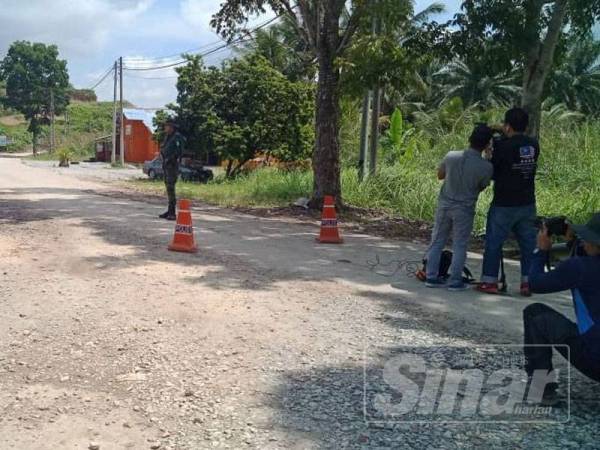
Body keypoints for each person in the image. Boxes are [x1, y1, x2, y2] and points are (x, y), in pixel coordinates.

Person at [522, 213, 600, 403]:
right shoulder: (582, 264)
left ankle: (541, 389)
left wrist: (541, 250)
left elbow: (535, 283)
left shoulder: (580, 268)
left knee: (534, 313)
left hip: (595, 359)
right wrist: (573, 244)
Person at [477, 108, 540, 296]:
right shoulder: (534, 145)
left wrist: (490, 153)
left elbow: (494, 172)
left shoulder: (502, 147)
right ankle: (528, 282)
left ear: (507, 126)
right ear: (526, 126)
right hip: (528, 202)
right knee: (528, 245)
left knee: (494, 243)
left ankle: (489, 281)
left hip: (504, 203)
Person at [424, 124, 494, 291]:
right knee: (460, 244)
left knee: (437, 240)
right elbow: (482, 186)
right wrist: (489, 158)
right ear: (486, 145)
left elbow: (440, 175)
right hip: (465, 207)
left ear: (469, 139)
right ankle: (455, 281)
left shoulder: (451, 156)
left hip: (445, 202)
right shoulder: (486, 166)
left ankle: (431, 276)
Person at [158, 119, 186, 221]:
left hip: (172, 166)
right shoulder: (168, 137)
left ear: (172, 127)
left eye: (167, 126)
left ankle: (172, 213)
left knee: (171, 188)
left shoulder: (177, 137)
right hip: (166, 165)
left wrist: (171, 159)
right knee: (168, 188)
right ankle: (170, 210)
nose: (165, 128)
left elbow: (179, 151)